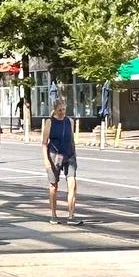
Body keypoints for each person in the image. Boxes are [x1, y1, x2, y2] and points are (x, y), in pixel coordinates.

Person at [42, 96, 78, 224]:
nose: (62, 112)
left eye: (63, 109)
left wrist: (74, 154)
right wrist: (46, 160)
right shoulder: (50, 122)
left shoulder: (69, 121)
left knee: (72, 184)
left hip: (69, 155)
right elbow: (44, 143)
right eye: (59, 110)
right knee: (53, 186)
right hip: (54, 155)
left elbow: (72, 139)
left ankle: (71, 216)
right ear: (54, 110)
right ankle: (53, 215)